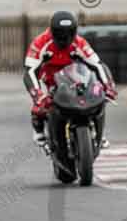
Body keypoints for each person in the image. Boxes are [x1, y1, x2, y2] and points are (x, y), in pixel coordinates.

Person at [23, 10, 117, 146]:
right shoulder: (40, 43)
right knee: (40, 107)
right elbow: (29, 71)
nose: (65, 39)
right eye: (60, 35)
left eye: (69, 34)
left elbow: (97, 64)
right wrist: (38, 95)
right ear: (52, 32)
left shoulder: (79, 42)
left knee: (96, 96)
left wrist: (108, 87)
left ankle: (97, 132)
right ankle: (39, 132)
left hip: (72, 76)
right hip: (48, 79)